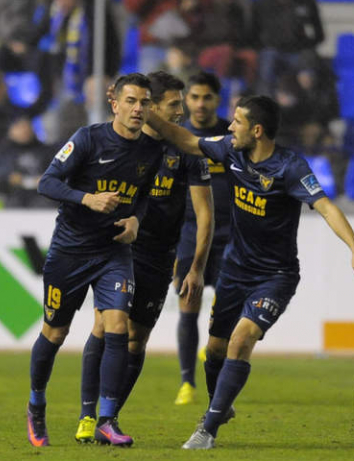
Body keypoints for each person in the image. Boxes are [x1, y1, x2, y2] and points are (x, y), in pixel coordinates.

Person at [144, 94, 354, 450]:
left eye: (236, 121)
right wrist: (146, 112)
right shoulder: (230, 150)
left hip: (275, 276)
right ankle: (221, 404)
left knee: (241, 340)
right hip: (235, 270)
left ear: (257, 130)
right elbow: (187, 140)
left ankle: (207, 429)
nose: (229, 126)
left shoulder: (290, 167)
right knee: (216, 348)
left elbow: (326, 206)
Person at [74, 70, 215, 443]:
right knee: (105, 327)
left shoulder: (185, 152)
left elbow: (205, 214)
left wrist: (196, 268)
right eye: (173, 104)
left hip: (159, 255)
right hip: (119, 250)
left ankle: (111, 416)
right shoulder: (123, 142)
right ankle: (89, 416)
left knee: (137, 340)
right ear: (151, 107)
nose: (182, 111)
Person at [26, 73, 164, 447]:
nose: (138, 109)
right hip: (70, 252)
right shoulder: (88, 138)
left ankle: (106, 418)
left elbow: (145, 197)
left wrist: (136, 218)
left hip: (113, 252)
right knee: (55, 332)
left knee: (117, 325)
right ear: (114, 102)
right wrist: (87, 198)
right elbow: (47, 182)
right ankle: (36, 405)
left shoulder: (152, 151)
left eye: (145, 102)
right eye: (131, 101)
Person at [174, 71, 231, 406]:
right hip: (189, 234)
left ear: (216, 100)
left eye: (206, 97)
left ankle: (216, 377)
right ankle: (186, 383)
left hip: (229, 236)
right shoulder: (178, 136)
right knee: (187, 305)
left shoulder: (230, 135)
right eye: (193, 97)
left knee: (227, 309)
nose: (199, 103)